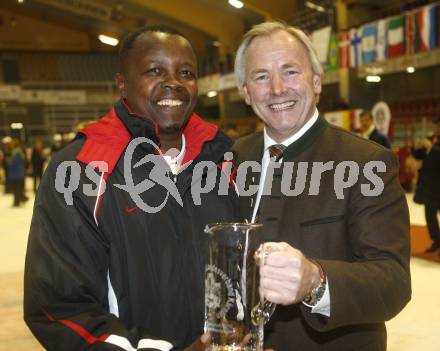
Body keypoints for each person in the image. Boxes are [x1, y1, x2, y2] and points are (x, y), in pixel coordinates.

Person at [24, 26, 239, 350]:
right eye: (155, 70)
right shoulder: (80, 169)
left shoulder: (225, 158)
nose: (174, 83)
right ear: (122, 83)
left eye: (186, 72)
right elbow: (58, 307)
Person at [232, 22, 411, 350]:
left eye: (290, 71)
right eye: (260, 76)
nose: (276, 88)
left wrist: (317, 280)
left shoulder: (366, 162)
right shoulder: (233, 159)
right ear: (245, 91)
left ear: (316, 82)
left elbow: (393, 282)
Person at [414, 118, 440, 253]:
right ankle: (436, 240)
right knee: (430, 215)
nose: (436, 128)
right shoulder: (432, 138)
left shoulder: (433, 144)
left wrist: (431, 148)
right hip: (430, 186)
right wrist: (417, 146)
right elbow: (419, 155)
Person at [7, 138, 27, 207]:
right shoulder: (18, 151)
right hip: (18, 173)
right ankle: (20, 200)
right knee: (17, 188)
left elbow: (13, 163)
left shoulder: (17, 152)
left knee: (16, 188)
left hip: (16, 173)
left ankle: (17, 202)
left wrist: (8, 161)